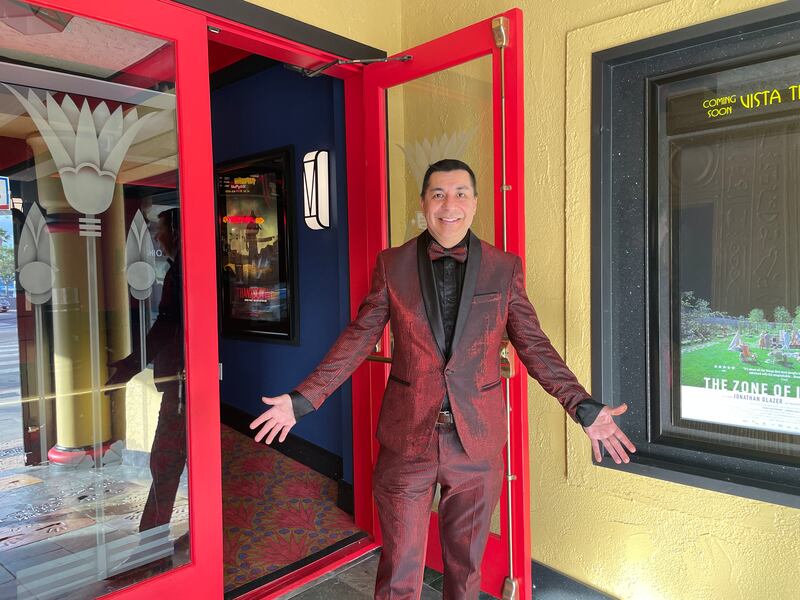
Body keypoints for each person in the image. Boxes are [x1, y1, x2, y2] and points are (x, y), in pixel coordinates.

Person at [250, 159, 635, 600]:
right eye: (438, 194)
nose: (449, 204)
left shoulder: (504, 268)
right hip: (406, 440)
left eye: (459, 194)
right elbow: (359, 338)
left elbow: (534, 345)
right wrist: (302, 399)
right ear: (423, 204)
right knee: (398, 571)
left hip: (477, 443)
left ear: (474, 203)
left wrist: (582, 406)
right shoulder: (391, 265)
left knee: (466, 572)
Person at [108, 208, 186, 538]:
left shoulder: (180, 273)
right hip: (187, 382)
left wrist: (128, 367)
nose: (157, 237)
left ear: (178, 233)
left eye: (161, 230)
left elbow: (166, 326)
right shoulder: (183, 269)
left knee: (165, 461)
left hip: (182, 389)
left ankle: (150, 545)